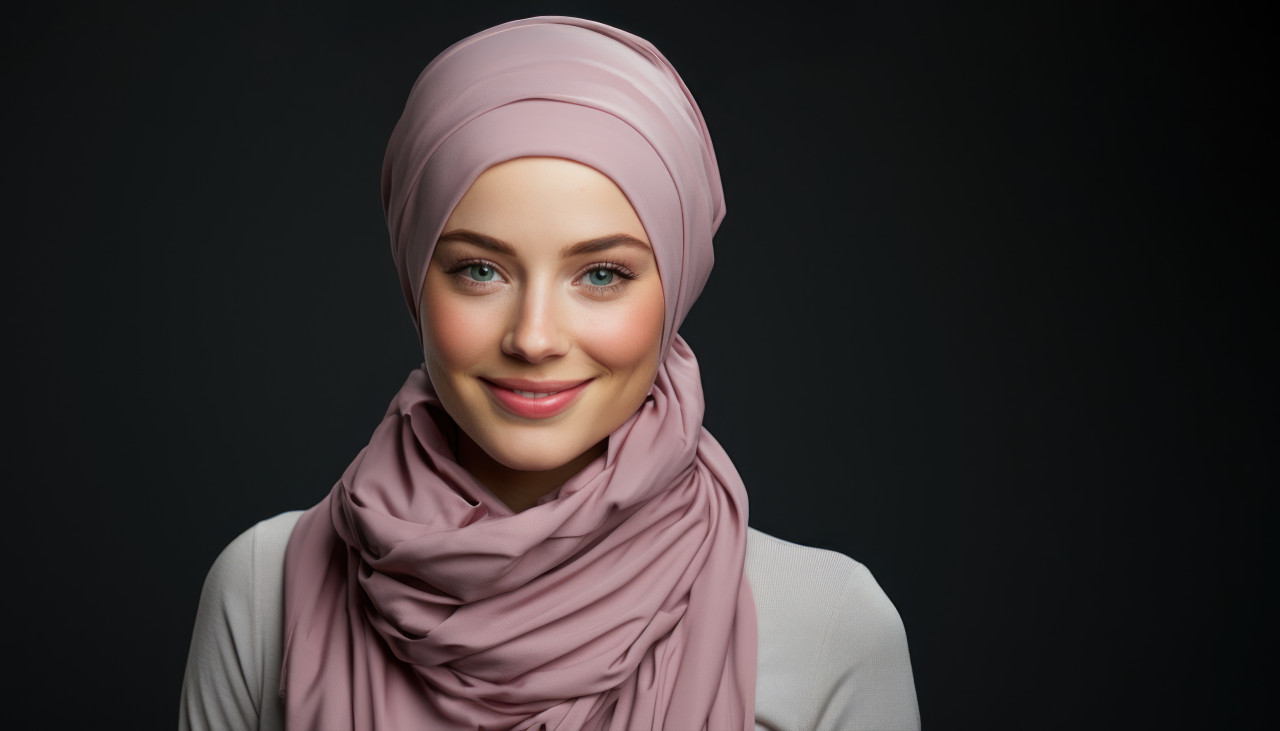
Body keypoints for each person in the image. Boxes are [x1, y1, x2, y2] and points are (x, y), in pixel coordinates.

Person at [179, 16, 919, 731]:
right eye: (480, 269)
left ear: (677, 287)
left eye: (601, 274)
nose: (534, 338)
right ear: (414, 279)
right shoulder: (263, 588)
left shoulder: (829, 626)